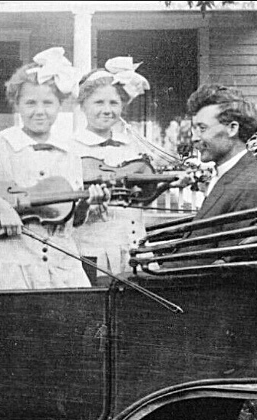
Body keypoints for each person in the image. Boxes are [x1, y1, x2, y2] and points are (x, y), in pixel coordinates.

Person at [0, 47, 105, 290]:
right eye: (30, 103)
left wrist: (87, 204)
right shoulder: (2, 143)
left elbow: (72, 220)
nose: (39, 111)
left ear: (59, 105)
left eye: (48, 103)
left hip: (62, 264)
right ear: (17, 104)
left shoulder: (70, 152)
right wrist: (3, 207)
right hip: (15, 261)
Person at [69, 57, 151, 277]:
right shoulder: (70, 150)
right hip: (93, 256)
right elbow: (65, 215)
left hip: (136, 251)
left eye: (114, 103)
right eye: (99, 102)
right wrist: (86, 204)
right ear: (83, 105)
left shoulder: (131, 146)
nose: (107, 110)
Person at [186, 84, 257, 220]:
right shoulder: (228, 175)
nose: (194, 138)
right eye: (194, 129)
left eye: (202, 128)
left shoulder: (252, 188)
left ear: (232, 129)